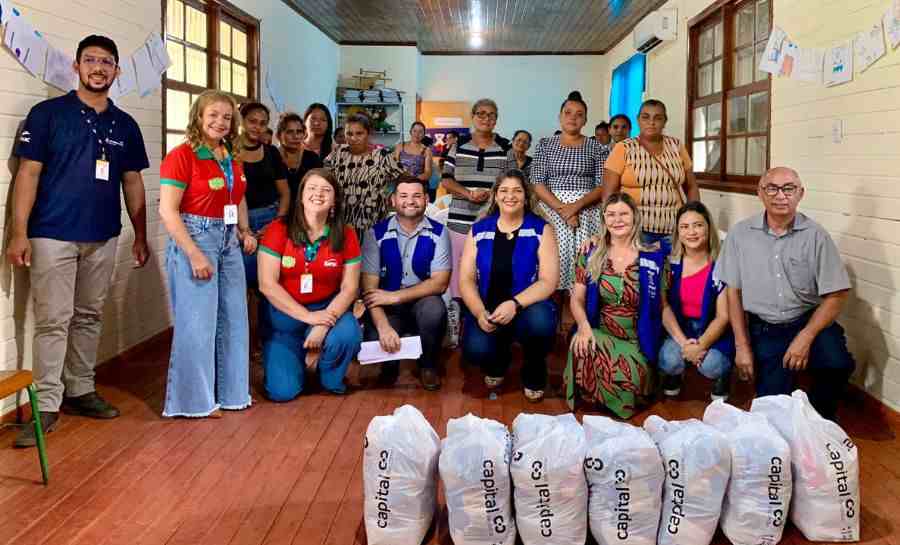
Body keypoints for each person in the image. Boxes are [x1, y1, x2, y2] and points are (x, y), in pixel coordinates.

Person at [7, 35, 150, 447]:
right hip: (51, 233)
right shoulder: (48, 114)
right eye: (91, 60)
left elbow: (132, 181)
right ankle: (47, 404)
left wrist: (139, 234)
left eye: (107, 61)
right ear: (77, 66)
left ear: (117, 71)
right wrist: (19, 232)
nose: (99, 68)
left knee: (89, 316)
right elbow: (28, 174)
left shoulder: (125, 125)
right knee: (53, 320)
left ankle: (80, 390)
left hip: (103, 235)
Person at [717, 167, 855, 421]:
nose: (781, 195)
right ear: (760, 193)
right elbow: (732, 293)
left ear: (800, 194)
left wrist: (806, 336)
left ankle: (816, 421)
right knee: (771, 407)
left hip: (807, 320)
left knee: (837, 364)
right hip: (765, 327)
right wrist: (742, 345)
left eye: (788, 188)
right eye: (772, 188)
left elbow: (837, 293)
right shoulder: (740, 235)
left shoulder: (816, 236)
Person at [158, 90, 257, 417]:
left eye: (227, 117)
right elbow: (168, 212)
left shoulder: (231, 155)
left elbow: (238, 196)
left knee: (234, 320)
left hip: (229, 240)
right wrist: (194, 254)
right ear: (198, 117)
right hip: (195, 237)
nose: (220, 122)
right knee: (198, 324)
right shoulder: (182, 156)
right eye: (212, 115)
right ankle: (194, 402)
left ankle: (232, 394)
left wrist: (245, 230)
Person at [257, 168, 362, 399]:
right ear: (301, 194)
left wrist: (322, 323)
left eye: (326, 190)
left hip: (328, 309)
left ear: (335, 199)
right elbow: (267, 284)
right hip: (285, 313)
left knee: (347, 335)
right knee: (282, 393)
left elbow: (350, 288)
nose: (319, 194)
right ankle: (294, 362)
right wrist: (308, 317)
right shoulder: (278, 229)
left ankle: (329, 375)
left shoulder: (346, 234)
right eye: (312, 188)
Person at [459, 170, 559, 402]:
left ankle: (534, 367)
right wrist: (478, 312)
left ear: (526, 196)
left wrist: (514, 304)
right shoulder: (479, 229)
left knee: (541, 323)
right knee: (475, 351)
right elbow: (466, 279)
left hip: (526, 307)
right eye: (503, 190)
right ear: (495, 196)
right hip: (489, 308)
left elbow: (548, 281)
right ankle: (498, 357)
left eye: (517, 190)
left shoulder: (541, 229)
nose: (510, 196)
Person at [566, 193, 667, 419]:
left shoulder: (654, 255)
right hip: (600, 331)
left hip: (637, 339)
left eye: (623, 214)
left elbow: (664, 304)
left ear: (635, 218)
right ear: (604, 220)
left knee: (630, 373)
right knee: (581, 345)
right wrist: (583, 326)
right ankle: (601, 397)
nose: (617, 220)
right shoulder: (591, 253)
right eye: (610, 215)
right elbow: (577, 298)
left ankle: (612, 394)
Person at [361, 174, 451, 390]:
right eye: (403, 195)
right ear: (393, 200)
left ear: (426, 199)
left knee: (434, 309)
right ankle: (388, 366)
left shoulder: (439, 233)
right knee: (376, 334)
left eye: (416, 196)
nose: (410, 201)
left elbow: (439, 283)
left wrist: (395, 296)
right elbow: (369, 290)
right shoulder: (375, 234)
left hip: (421, 302)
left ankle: (428, 365)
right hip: (388, 308)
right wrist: (383, 327)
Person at [531, 91, 609, 291]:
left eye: (579, 114)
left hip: (586, 214)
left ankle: (577, 316)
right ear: (559, 116)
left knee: (582, 266)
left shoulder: (597, 147)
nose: (573, 117)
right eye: (568, 112)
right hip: (551, 213)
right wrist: (563, 211)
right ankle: (552, 316)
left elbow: (602, 185)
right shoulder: (545, 145)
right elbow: (537, 183)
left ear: (585, 120)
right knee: (552, 264)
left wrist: (574, 208)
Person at [659, 201, 734, 400]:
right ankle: (675, 375)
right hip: (681, 328)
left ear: (708, 227)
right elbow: (664, 307)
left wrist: (700, 346)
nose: (691, 232)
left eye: (698, 225)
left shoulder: (721, 262)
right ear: (677, 231)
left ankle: (723, 376)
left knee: (712, 365)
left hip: (713, 330)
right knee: (669, 360)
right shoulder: (669, 260)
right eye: (684, 227)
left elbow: (723, 317)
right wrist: (685, 344)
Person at [602, 100, 700, 249]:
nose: (651, 122)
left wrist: (693, 216)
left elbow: (691, 186)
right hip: (636, 230)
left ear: (665, 121)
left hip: (674, 228)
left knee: (673, 271)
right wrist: (612, 229)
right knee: (641, 271)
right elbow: (609, 194)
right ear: (638, 120)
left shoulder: (677, 146)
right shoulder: (624, 148)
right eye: (646, 117)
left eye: (658, 118)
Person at [441, 99, 511, 297]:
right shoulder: (459, 145)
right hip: (459, 221)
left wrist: (491, 195)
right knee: (457, 270)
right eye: (481, 113)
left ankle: (485, 314)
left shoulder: (505, 147)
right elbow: (446, 180)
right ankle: (457, 313)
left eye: (491, 115)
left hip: (493, 222)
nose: (486, 118)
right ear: (472, 117)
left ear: (496, 120)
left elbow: (513, 185)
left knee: (488, 271)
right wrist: (468, 194)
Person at [324, 114, 405, 239]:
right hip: (342, 222)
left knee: (370, 256)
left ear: (369, 134)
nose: (353, 138)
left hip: (372, 222)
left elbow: (404, 178)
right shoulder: (338, 153)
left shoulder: (382, 156)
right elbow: (323, 179)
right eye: (349, 133)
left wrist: (393, 196)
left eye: (359, 133)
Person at [238, 102, 290, 288]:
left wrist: (277, 223)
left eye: (262, 123)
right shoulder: (227, 150)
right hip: (239, 223)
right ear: (241, 120)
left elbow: (284, 193)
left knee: (270, 280)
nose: (257, 127)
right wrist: (240, 229)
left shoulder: (271, 153)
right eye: (252, 121)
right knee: (242, 279)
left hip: (269, 218)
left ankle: (266, 318)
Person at [276, 112, 308, 206]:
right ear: (278, 135)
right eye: (290, 132)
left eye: (299, 132)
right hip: (275, 212)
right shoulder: (272, 157)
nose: (295, 136)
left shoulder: (312, 158)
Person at [301, 103, 333, 170]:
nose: (317, 123)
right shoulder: (297, 147)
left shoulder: (335, 150)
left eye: (323, 120)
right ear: (304, 122)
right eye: (313, 118)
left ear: (328, 124)